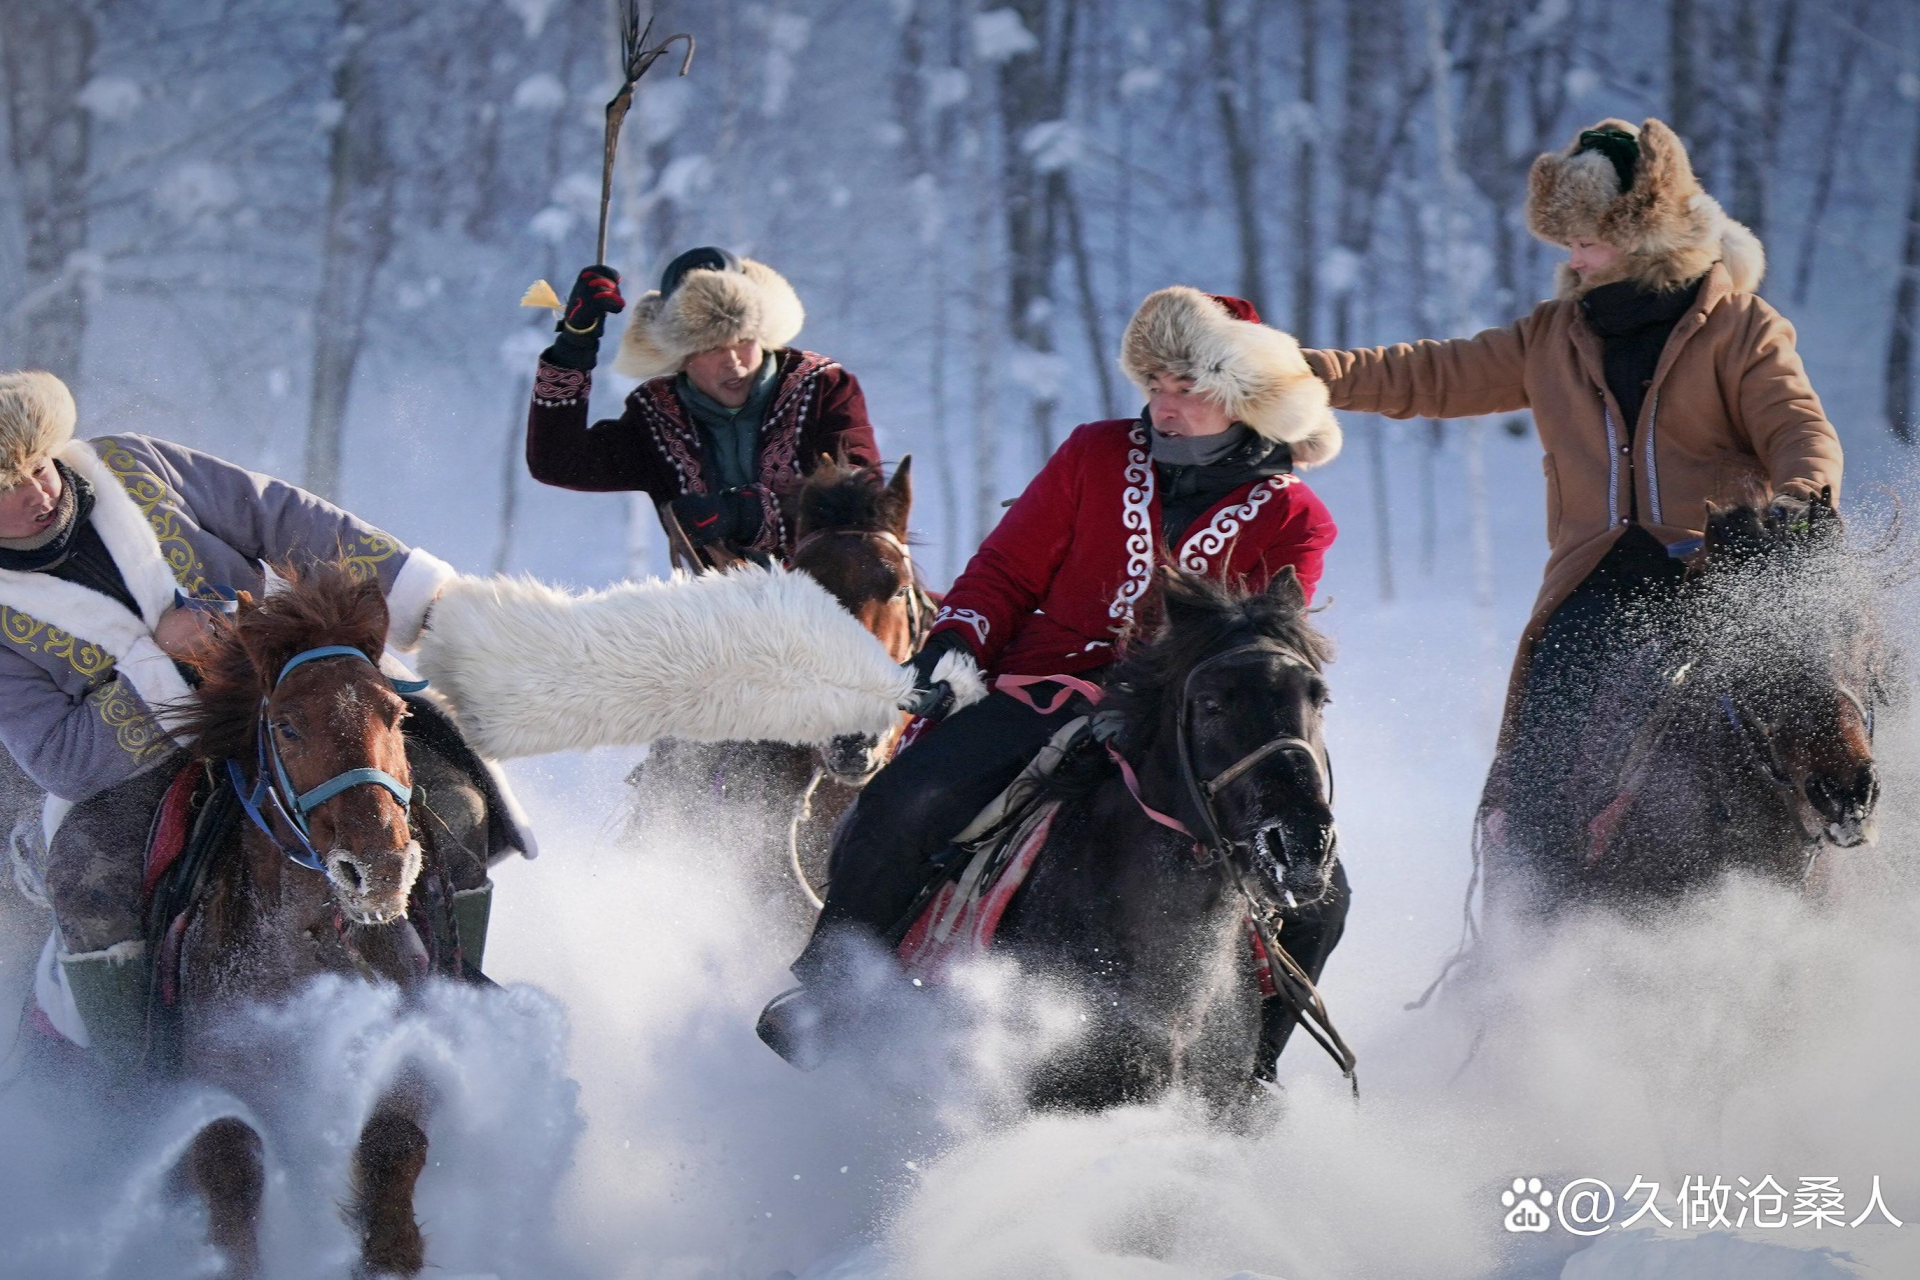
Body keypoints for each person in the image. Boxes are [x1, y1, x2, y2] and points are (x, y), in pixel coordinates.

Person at [759, 287, 1345, 1069]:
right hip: (1040, 689)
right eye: (1155, 388)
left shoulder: (1297, 519)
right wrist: (955, 644)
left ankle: (1253, 1069)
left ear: (1245, 398)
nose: (1163, 409)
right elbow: (1006, 570)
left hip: (1192, 720)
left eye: (1187, 390)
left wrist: (1150, 698)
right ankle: (835, 990)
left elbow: (1262, 646)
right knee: (909, 798)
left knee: (1324, 897)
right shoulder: (1093, 454)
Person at [1297, 117, 1843, 905]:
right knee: (1544, 743)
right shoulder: (1553, 335)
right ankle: (1537, 910)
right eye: (1569, 242)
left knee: (1816, 714)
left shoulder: (1739, 329)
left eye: (1589, 240)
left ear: (1648, 232)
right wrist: (1300, 374)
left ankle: (1829, 870)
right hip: (1599, 582)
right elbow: (1431, 374)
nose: (1574, 259)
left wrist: (1801, 498)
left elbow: (1799, 429)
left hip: (1719, 572)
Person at [0, 370, 524, 1056]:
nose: (40, 491)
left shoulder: (129, 462)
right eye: (7, 485)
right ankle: (130, 1076)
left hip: (294, 679)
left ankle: (458, 992)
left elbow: (280, 516)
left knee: (456, 801)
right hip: (140, 763)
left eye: (36, 464)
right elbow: (57, 756)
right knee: (89, 883)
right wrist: (165, 667)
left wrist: (418, 595)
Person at [524, 247, 881, 560]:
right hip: (720, 614)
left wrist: (744, 514)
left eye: (743, 339)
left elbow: (862, 497)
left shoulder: (822, 386)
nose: (734, 362)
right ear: (681, 358)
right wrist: (575, 345)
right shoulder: (656, 416)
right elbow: (558, 462)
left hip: (837, 598)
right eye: (711, 347)